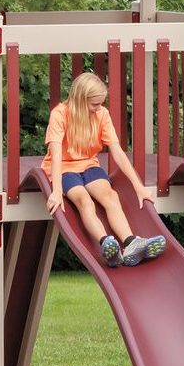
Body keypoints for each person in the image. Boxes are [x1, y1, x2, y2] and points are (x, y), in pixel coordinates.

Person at [43, 72, 165, 268]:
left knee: (110, 196)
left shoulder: (102, 115)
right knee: (83, 200)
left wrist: (139, 187)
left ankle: (131, 242)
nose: (98, 108)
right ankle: (107, 243)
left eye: (100, 103)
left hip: (89, 165)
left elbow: (117, 152)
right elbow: (56, 154)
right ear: (79, 100)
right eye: (94, 105)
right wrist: (56, 191)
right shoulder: (60, 114)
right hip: (65, 168)